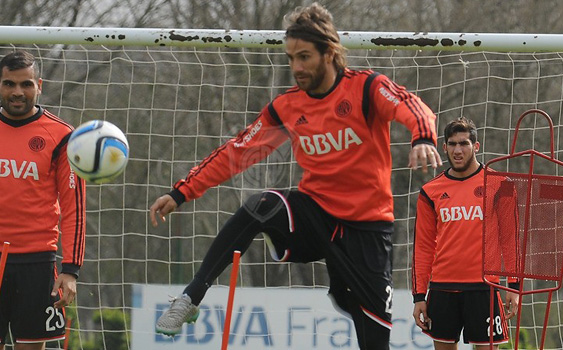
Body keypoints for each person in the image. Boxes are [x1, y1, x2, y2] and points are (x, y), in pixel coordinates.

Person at [149, 3, 442, 349]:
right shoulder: (287, 108)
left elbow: (411, 105)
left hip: (367, 229)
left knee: (375, 340)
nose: (296, 67)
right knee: (264, 204)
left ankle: (346, 290)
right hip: (313, 215)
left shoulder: (365, 88)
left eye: (304, 57)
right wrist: (182, 192)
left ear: (329, 53)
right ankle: (191, 297)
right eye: (290, 58)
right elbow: (237, 152)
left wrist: (422, 138)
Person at [0, 51, 86, 350]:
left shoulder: (62, 136)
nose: (17, 92)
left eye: (26, 84)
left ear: (39, 85)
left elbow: (74, 206)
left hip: (36, 261)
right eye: (10, 84)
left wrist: (70, 269)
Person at [411, 117, 519, 349]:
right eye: (452, 144)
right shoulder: (430, 192)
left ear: (476, 146)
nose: (458, 150)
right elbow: (423, 247)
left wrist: (514, 286)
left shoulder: (500, 184)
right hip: (442, 288)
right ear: (444, 147)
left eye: (464, 144)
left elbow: (510, 240)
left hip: (484, 288)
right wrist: (419, 296)